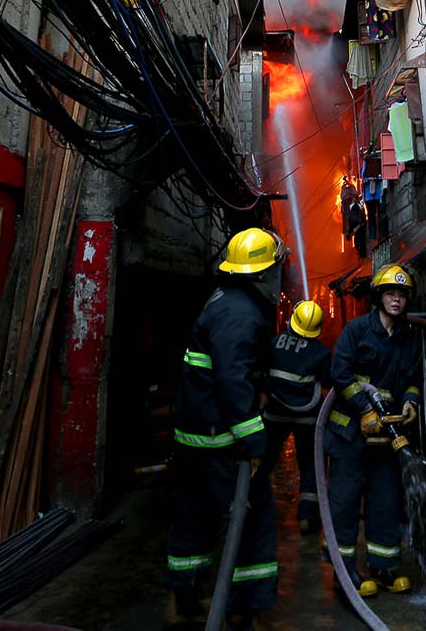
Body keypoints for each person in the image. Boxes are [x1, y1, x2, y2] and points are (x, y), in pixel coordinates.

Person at [165, 227, 282, 629]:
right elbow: (233, 379)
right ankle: (243, 606)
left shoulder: (222, 300)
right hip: (220, 440)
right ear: (265, 271)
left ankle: (185, 594)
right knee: (250, 519)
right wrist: (253, 443)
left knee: (192, 517)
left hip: (195, 434)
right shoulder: (241, 312)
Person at [326, 264, 423, 598]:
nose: (396, 300)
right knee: (345, 502)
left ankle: (384, 568)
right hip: (351, 434)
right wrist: (364, 410)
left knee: (384, 501)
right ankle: (346, 573)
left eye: (401, 295)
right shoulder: (357, 331)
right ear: (379, 297)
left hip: (385, 436)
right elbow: (339, 373)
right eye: (390, 293)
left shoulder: (408, 338)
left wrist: (411, 403)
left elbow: (413, 378)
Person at [256, 299, 332, 533]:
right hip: (307, 418)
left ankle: (251, 506)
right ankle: (307, 517)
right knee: (310, 465)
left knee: (263, 462)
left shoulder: (275, 342)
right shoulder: (321, 352)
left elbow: (261, 371)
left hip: (274, 415)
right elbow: (328, 381)